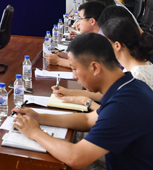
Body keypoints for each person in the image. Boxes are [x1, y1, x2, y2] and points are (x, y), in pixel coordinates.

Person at [13, 33, 153, 170]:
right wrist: (38, 117)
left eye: (74, 69)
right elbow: (88, 119)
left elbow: (76, 157)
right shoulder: (130, 86)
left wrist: (35, 132)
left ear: (94, 68)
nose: (74, 76)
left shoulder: (124, 105)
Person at [53, 18, 153, 110]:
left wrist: (86, 101)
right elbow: (106, 94)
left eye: (105, 42)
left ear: (117, 45)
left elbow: (115, 111)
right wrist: (70, 93)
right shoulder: (138, 65)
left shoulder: (137, 75)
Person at [46, 1, 106, 67]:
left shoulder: (104, 39)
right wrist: (68, 56)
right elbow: (87, 59)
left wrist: (58, 61)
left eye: (80, 19)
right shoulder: (97, 35)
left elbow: (87, 66)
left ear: (92, 21)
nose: (78, 22)